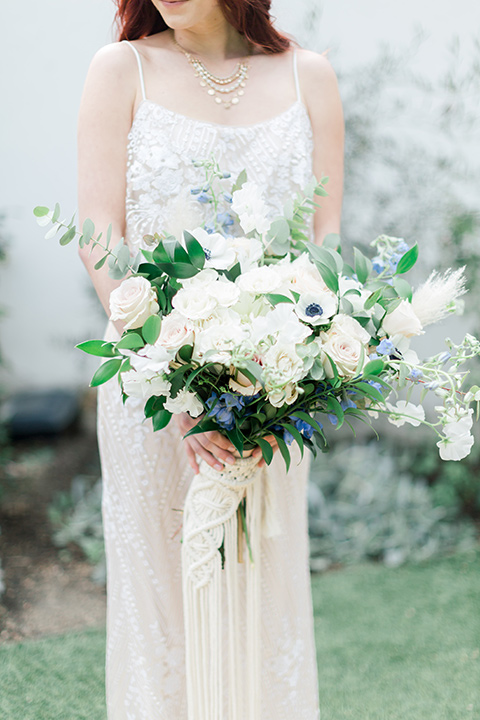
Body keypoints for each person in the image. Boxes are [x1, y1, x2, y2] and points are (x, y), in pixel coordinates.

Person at [77, 0, 344, 717]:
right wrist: (176, 376)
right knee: (164, 604)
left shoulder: (308, 78)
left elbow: (325, 240)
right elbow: (98, 231)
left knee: (265, 591)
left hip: (271, 395)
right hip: (151, 391)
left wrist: (284, 383)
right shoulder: (121, 69)